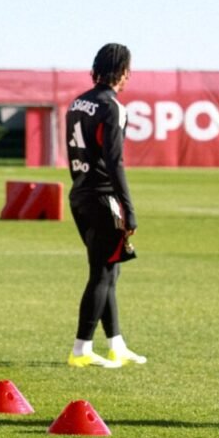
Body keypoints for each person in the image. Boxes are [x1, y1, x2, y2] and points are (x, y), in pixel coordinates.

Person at [64, 43, 146, 368]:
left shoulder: (77, 102)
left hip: (80, 194)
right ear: (121, 70)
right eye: (128, 68)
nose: (129, 75)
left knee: (111, 271)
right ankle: (81, 349)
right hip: (103, 197)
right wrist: (129, 209)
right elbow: (116, 163)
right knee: (101, 274)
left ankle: (116, 344)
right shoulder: (112, 107)